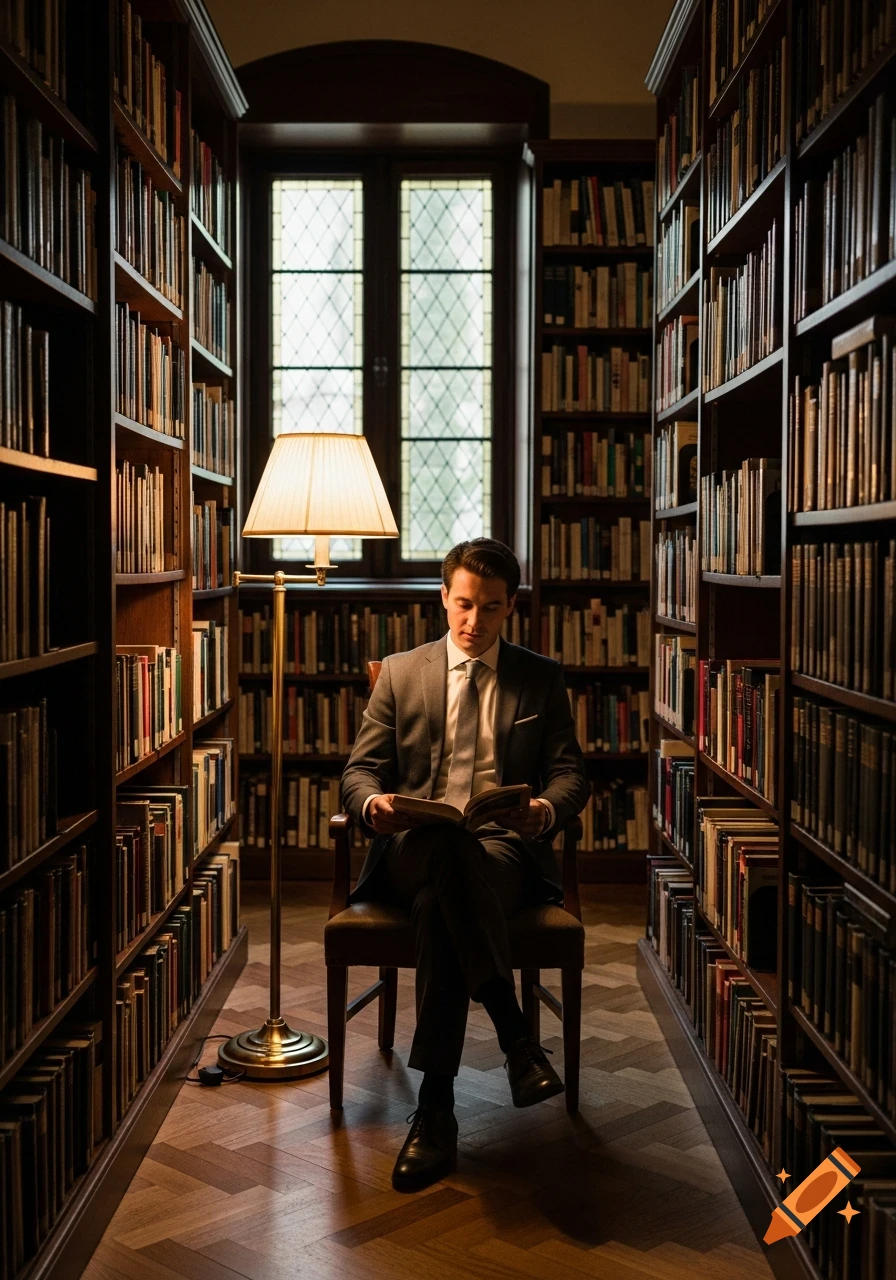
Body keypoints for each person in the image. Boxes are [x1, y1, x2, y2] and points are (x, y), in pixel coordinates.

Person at [341, 538, 589, 1192]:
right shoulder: (401, 672)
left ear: (512, 608)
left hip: (501, 848)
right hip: (412, 845)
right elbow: (359, 771)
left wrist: (544, 811)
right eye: (462, 604)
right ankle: (516, 1036)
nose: (473, 622)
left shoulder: (540, 676)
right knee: (445, 848)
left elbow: (570, 775)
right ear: (443, 598)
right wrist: (374, 807)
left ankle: (435, 1110)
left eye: (491, 608)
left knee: (439, 905)